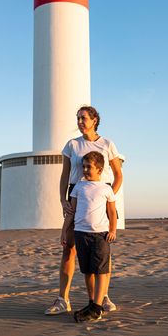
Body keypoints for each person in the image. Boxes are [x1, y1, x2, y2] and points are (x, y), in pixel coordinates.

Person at [45, 105, 123, 315]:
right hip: (77, 194)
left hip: (102, 194)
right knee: (68, 247)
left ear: (94, 120)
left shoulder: (107, 144)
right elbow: (65, 174)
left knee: (103, 247)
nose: (80, 122)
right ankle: (63, 299)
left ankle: (103, 297)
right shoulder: (72, 145)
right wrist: (63, 199)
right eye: (78, 118)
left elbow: (118, 175)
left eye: (84, 118)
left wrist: (109, 198)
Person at [61, 151, 117, 321]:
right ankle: (92, 302)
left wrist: (113, 230)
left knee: (100, 270)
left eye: (89, 167)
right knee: (87, 271)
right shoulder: (78, 187)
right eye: (83, 166)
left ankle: (97, 307)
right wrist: (64, 230)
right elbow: (71, 212)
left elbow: (112, 212)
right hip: (80, 233)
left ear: (99, 169)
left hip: (100, 234)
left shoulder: (106, 189)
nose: (85, 170)